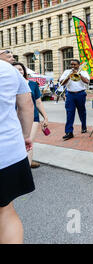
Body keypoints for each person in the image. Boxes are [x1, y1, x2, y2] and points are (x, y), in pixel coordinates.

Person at [0, 60, 35, 244]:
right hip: (7, 152)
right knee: (5, 210)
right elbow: (26, 104)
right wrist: (26, 135)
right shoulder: (7, 69)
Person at [12, 62, 49, 169]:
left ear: (24, 71)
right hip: (14, 119)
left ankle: (26, 170)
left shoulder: (33, 84)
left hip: (32, 118)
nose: (18, 71)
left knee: (28, 142)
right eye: (15, 69)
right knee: (18, 144)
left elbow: (38, 102)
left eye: (20, 69)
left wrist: (45, 117)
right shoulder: (8, 85)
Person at [59, 59, 90, 140]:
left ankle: (84, 126)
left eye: (75, 65)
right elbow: (61, 83)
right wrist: (69, 76)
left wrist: (79, 74)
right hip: (70, 94)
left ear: (78, 65)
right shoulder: (67, 72)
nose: (73, 66)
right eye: (71, 65)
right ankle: (69, 132)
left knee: (82, 112)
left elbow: (87, 81)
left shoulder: (83, 72)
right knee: (69, 113)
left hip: (81, 94)